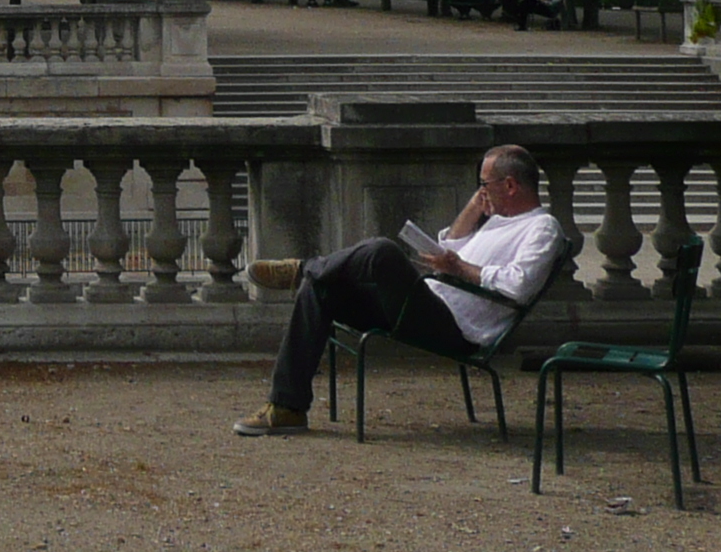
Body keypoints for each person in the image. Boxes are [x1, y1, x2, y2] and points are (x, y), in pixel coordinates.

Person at [232, 145, 563, 437]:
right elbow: (448, 246)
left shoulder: (541, 227)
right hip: (431, 304)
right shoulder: (495, 220)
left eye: (484, 184)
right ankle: (287, 407)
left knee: (382, 252)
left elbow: (518, 285)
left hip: (457, 328)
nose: (482, 191)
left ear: (509, 186)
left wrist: (459, 268)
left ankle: (301, 267)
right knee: (319, 288)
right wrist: (475, 207)